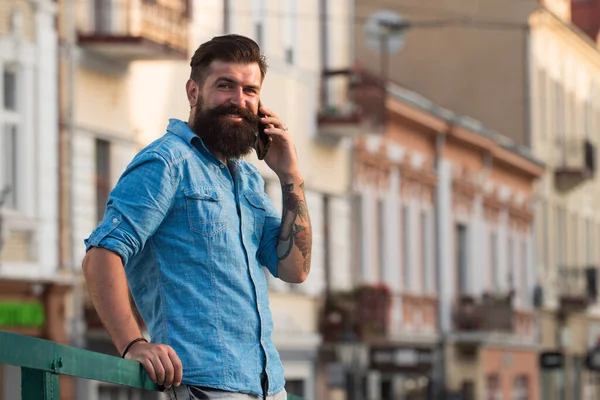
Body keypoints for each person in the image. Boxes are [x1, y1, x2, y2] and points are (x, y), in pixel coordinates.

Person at [82, 34, 312, 400]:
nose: (239, 100)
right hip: (206, 386)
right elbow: (100, 254)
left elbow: (294, 269)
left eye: (250, 90)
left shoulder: (247, 179)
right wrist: (133, 345)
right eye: (225, 86)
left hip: (270, 388)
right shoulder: (165, 163)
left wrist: (291, 177)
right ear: (193, 92)